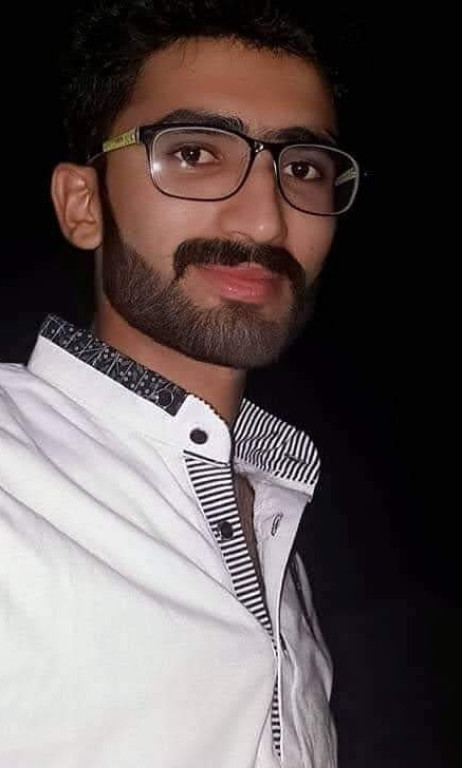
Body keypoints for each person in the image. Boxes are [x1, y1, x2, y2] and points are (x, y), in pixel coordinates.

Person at [0, 1, 360, 766]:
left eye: (301, 168)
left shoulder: (278, 530)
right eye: (195, 153)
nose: (265, 222)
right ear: (84, 204)